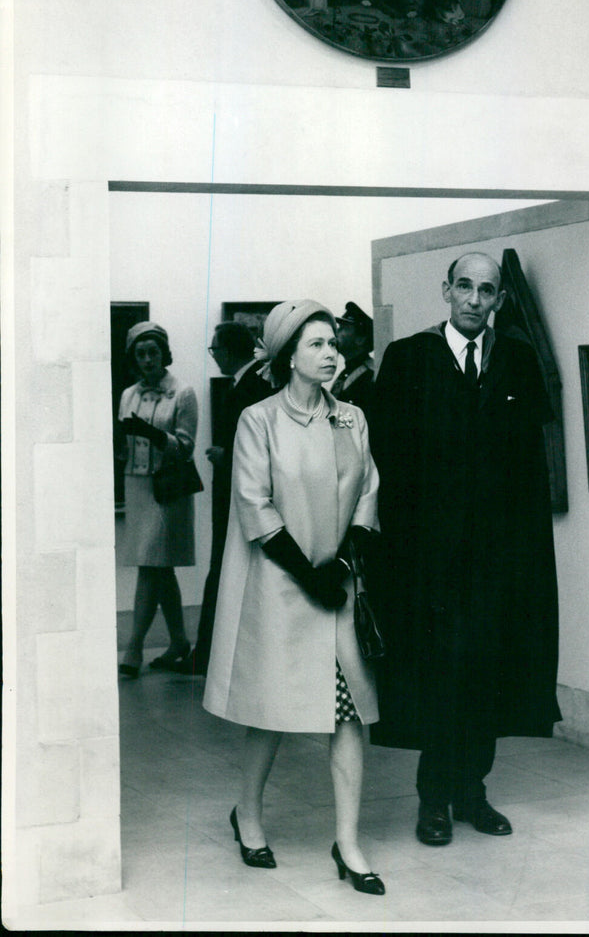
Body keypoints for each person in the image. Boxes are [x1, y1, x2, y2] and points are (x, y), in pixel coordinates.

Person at [368, 254, 561, 847]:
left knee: (488, 672)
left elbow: (530, 465)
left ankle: (473, 792)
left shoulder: (518, 361)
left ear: (499, 298)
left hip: (499, 558)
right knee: (439, 675)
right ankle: (433, 798)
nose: (475, 299)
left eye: (487, 290)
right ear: (446, 291)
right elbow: (384, 463)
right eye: (465, 287)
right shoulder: (407, 359)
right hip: (429, 559)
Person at [203, 301, 385, 894]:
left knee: (350, 714)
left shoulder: (352, 418)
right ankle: (248, 814)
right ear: (287, 356)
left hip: (338, 590)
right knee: (274, 715)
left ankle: (349, 843)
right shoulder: (257, 419)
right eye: (316, 344)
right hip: (285, 589)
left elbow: (368, 489)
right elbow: (254, 505)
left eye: (334, 342)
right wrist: (311, 576)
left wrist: (352, 548)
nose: (332, 352)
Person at [178, 322, 274, 677]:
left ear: (230, 350)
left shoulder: (254, 386)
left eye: (215, 348)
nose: (213, 354)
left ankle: (208, 656)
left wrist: (227, 454)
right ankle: (210, 655)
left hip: (241, 496)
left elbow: (263, 442)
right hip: (233, 495)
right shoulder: (247, 384)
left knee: (224, 570)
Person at [117, 322, 198, 677]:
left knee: (151, 566)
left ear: (164, 353)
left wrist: (152, 433)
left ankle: (133, 647)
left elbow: (186, 447)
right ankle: (179, 640)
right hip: (136, 487)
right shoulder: (128, 394)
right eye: (141, 353)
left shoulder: (182, 392)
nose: (148, 359)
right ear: (133, 358)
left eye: (153, 352)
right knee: (158, 567)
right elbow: (122, 444)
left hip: (167, 490)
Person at [331, 302, 375, 421]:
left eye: (343, 328)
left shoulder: (371, 376)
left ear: (360, 339)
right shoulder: (347, 372)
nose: (336, 333)